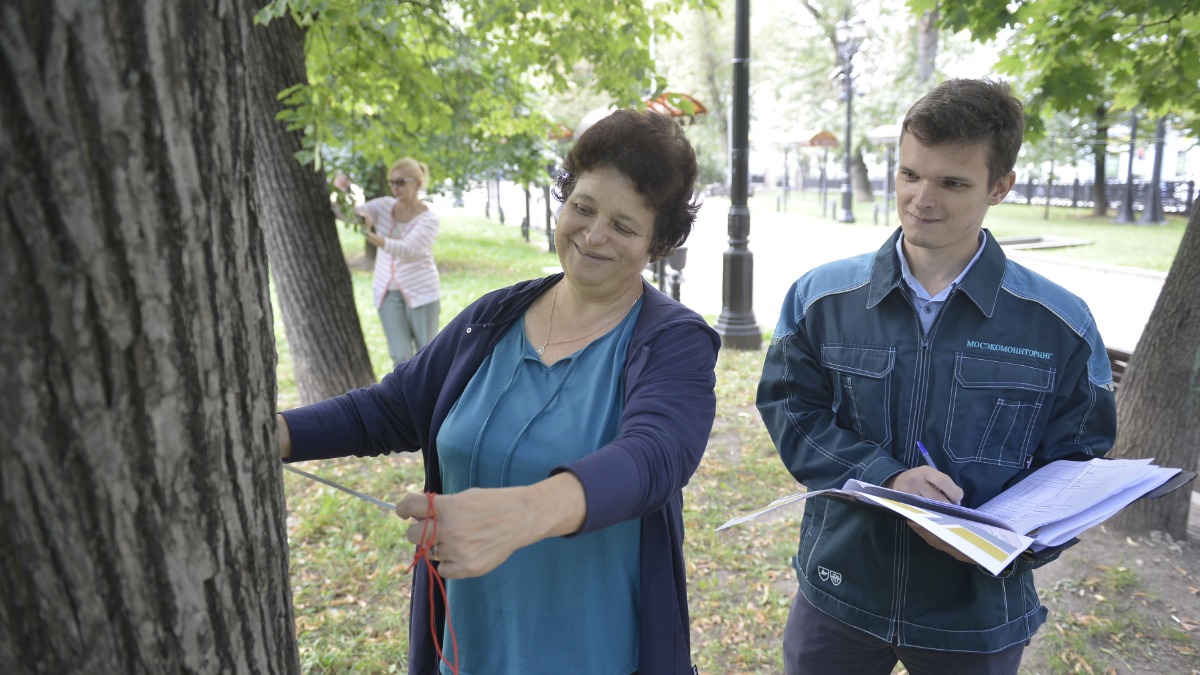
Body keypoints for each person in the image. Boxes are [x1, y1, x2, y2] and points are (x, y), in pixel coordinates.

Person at [278, 109, 719, 675]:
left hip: (595, 655)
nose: (593, 234)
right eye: (582, 208)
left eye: (625, 226)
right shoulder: (494, 316)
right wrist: (278, 434)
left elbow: (655, 456)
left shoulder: (674, 342)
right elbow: (388, 410)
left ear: (658, 243)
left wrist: (523, 514)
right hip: (467, 652)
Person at [756, 78, 1117, 675]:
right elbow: (792, 409)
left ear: (1000, 186)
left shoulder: (1061, 324)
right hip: (841, 591)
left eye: (952, 182)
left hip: (976, 612)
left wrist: (1012, 547)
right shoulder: (820, 298)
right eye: (909, 175)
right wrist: (886, 477)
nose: (922, 198)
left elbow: (1078, 466)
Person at [356, 158, 441, 366]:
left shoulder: (429, 220)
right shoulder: (384, 206)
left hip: (421, 292)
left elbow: (408, 249)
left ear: (418, 184)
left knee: (427, 354)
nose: (395, 187)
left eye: (401, 182)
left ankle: (432, 398)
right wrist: (359, 213)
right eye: (392, 182)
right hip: (387, 292)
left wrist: (373, 237)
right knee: (400, 356)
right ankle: (405, 398)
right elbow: (348, 212)